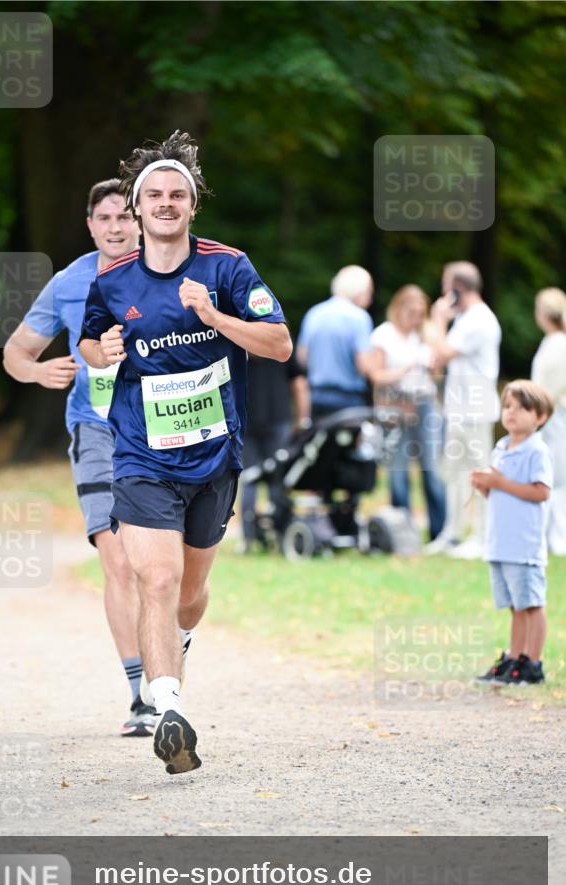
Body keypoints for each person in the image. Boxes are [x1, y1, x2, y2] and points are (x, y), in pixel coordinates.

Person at [79, 131, 292, 775]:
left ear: (193, 205)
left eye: (178, 194)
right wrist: (101, 353)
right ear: (137, 208)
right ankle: (167, 709)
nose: (166, 203)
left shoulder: (228, 268)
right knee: (158, 579)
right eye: (155, 196)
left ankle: (179, 642)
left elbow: (279, 344)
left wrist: (216, 318)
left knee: (191, 593)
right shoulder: (112, 280)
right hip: (142, 456)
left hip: (214, 458)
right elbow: (90, 341)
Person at [3, 180, 156, 738]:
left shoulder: (170, 270)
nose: (115, 227)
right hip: (96, 431)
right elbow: (15, 352)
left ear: (140, 222)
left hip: (162, 431)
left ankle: (170, 660)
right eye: (104, 218)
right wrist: (38, 370)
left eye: (124, 216)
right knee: (118, 563)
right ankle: (141, 695)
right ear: (90, 226)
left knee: (165, 570)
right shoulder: (69, 282)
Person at [472, 381, 553, 685]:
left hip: (524, 544)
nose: (512, 413)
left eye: (522, 408)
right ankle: (514, 658)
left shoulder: (537, 450)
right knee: (515, 606)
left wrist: (500, 483)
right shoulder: (501, 448)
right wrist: (485, 487)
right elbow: (500, 494)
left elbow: (541, 492)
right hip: (500, 542)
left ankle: (533, 662)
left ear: (540, 417)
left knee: (531, 604)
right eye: (508, 406)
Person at [426, 261, 501, 559]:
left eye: (446, 285)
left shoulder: (479, 319)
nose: (443, 292)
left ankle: (482, 536)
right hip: (458, 408)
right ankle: (452, 533)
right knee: (454, 474)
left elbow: (442, 351)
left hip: (476, 410)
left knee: (478, 472)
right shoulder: (465, 319)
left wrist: (437, 319)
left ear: (458, 288)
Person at [369, 285, 446, 540]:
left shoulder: (425, 335)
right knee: (398, 472)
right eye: (412, 312)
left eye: (421, 313)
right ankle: (404, 534)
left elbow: (437, 375)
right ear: (399, 308)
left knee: (431, 471)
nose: (416, 318)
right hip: (394, 406)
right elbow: (377, 376)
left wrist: (433, 364)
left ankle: (439, 533)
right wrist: (408, 368)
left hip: (424, 405)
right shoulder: (384, 335)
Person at [240, 352, 309, 551]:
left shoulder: (239, 338)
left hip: (246, 416)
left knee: (249, 478)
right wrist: (303, 419)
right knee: (278, 478)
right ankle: (280, 533)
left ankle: (248, 537)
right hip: (278, 416)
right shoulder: (278, 337)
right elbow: (299, 383)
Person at [296, 265, 376, 417]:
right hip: (348, 400)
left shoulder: (314, 313)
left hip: (316, 397)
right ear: (358, 289)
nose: (370, 299)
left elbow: (302, 358)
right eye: (369, 291)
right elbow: (364, 365)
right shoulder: (360, 318)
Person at [531, 287, 566, 555]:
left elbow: (547, 388)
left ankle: (560, 536)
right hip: (551, 416)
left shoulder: (557, 345)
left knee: (558, 478)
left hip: (555, 417)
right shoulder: (555, 342)